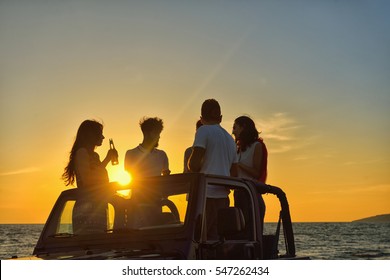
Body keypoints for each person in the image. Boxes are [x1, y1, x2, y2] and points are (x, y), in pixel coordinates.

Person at [188, 99, 238, 239]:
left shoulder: (203, 131)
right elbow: (234, 174)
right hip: (223, 198)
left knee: (200, 240)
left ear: (201, 118)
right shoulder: (230, 139)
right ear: (220, 118)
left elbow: (194, 165)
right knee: (217, 240)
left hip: (205, 196)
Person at [62, 119, 118, 234]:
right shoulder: (82, 152)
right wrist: (107, 160)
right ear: (91, 135)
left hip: (98, 206)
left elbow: (98, 179)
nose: (103, 137)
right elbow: (88, 181)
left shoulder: (95, 156)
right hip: (87, 208)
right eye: (100, 133)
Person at [232, 115, 268, 234]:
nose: (233, 131)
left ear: (243, 128)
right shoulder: (238, 149)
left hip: (251, 195)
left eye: (235, 127)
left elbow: (256, 172)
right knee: (239, 232)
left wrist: (239, 165)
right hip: (238, 194)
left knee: (251, 233)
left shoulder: (257, 146)